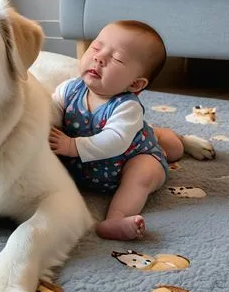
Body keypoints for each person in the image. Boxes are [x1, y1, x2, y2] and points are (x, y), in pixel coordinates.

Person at [49, 20, 183, 240]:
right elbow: (49, 112)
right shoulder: (69, 89)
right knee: (162, 140)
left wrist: (72, 145)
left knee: (146, 170)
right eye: (96, 47)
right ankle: (160, 136)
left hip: (130, 157)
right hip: (86, 162)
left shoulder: (126, 107)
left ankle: (116, 219)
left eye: (117, 58)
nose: (99, 57)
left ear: (135, 84)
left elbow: (115, 140)